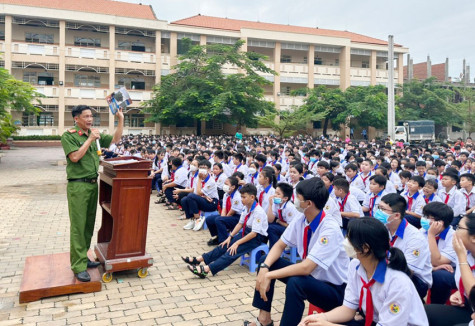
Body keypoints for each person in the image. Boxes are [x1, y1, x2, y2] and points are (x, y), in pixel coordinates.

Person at [244, 178, 348, 326]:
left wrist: (269, 275)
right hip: (312, 279)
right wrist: (265, 268)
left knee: (296, 282)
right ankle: (264, 320)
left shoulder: (329, 229)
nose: (294, 202)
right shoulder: (302, 218)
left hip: (333, 290)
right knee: (265, 261)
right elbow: (280, 245)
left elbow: (306, 268)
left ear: (309, 203)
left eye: (297, 198)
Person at [299, 217, 429, 326]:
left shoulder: (398, 283)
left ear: (365, 248)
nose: (345, 242)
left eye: (349, 239)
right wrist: (321, 318)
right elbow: (348, 310)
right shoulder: (356, 266)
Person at [61, 104, 124, 282]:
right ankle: (78, 266)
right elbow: (74, 157)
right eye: (86, 116)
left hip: (92, 184)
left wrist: (120, 119)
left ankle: (85, 258)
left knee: (88, 224)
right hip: (78, 186)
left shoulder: (93, 134)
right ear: (76, 118)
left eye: (91, 116)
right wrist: (90, 140)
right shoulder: (69, 136)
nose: (90, 119)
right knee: (78, 226)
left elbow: (115, 139)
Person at [181, 183, 268, 278]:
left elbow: (254, 234)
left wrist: (237, 243)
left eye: (244, 197)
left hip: (256, 237)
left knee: (232, 251)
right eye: (241, 197)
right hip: (246, 232)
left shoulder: (258, 211)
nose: (242, 199)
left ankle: (206, 270)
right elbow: (240, 224)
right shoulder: (246, 207)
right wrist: (230, 237)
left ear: (252, 197)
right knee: (224, 245)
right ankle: (199, 259)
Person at [374, 193, 432, 299]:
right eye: (378, 207)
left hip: (414, 279)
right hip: (387, 269)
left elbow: (407, 271)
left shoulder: (415, 238)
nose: (378, 212)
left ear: (396, 215)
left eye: (383, 209)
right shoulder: (383, 227)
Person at [424, 213, 475, 326]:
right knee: (425, 312)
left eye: (459, 228)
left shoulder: (461, 253)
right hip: (469, 309)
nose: (454, 232)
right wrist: (460, 293)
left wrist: (462, 258)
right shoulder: (464, 251)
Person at [420, 202, 457, 304]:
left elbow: (438, 262)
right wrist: (432, 268)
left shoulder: (453, 237)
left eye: (429, 218)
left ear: (440, 222)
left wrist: (431, 235)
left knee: (439, 276)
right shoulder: (422, 231)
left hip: (450, 268)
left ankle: (437, 305)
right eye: (425, 216)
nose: (425, 220)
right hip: (429, 265)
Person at [181, 160, 219, 231]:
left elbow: (198, 193)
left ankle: (198, 219)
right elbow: (196, 193)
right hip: (203, 200)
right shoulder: (198, 179)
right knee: (184, 200)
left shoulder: (211, 181)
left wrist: (199, 179)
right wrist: (205, 196)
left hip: (212, 203)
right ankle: (192, 219)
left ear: (209, 170)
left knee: (190, 196)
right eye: (201, 167)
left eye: (204, 168)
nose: (202, 169)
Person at [205, 176, 244, 246]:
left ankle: (224, 242)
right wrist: (223, 217)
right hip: (229, 214)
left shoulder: (237, 197)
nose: (224, 186)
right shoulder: (226, 194)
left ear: (233, 187)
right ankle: (218, 237)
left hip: (237, 217)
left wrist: (223, 218)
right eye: (224, 184)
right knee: (209, 219)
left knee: (219, 220)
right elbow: (224, 208)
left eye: (226, 184)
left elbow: (232, 211)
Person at [266, 182, 297, 248]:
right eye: (275, 193)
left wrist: (279, 221)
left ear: (285, 198)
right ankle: (264, 250)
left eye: (278, 194)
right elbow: (270, 220)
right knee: (265, 225)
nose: (275, 195)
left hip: (293, 230)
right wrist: (270, 204)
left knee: (271, 228)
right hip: (283, 226)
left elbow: (290, 226)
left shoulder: (290, 207)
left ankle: (274, 250)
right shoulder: (276, 203)